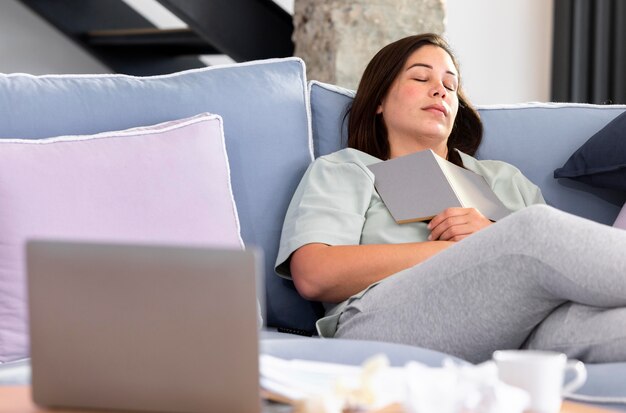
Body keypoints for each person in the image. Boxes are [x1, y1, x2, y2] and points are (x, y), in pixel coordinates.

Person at [275, 33, 626, 363]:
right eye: (420, 78)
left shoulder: (503, 178)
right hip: (380, 323)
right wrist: (466, 250)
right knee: (533, 230)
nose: (440, 91)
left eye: (450, 85)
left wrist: (491, 235)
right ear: (380, 99)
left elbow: (563, 269)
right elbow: (314, 274)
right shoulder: (349, 169)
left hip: (517, 324)